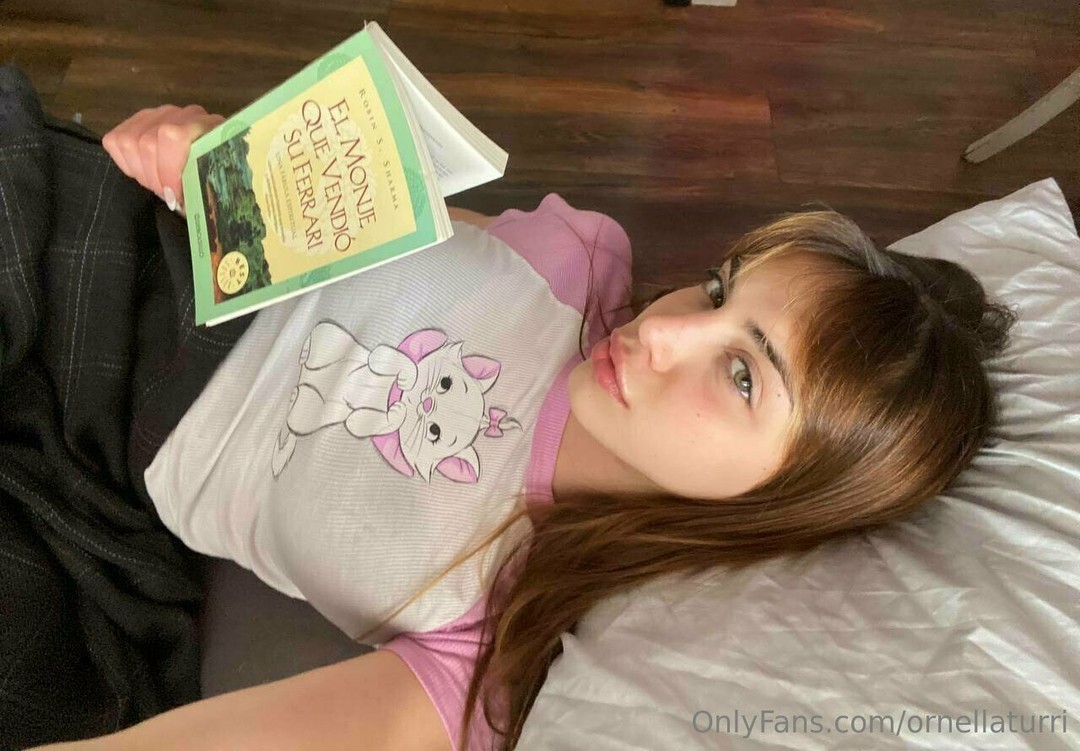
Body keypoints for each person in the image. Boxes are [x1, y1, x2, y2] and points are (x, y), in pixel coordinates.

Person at [31, 104, 1015, 751]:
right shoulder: (579, 257)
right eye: (719, 290)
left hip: (107, 421)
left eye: (743, 374)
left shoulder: (505, 625)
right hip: (111, 228)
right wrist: (220, 156)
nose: (665, 329)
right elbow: (323, 217)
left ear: (784, 499)